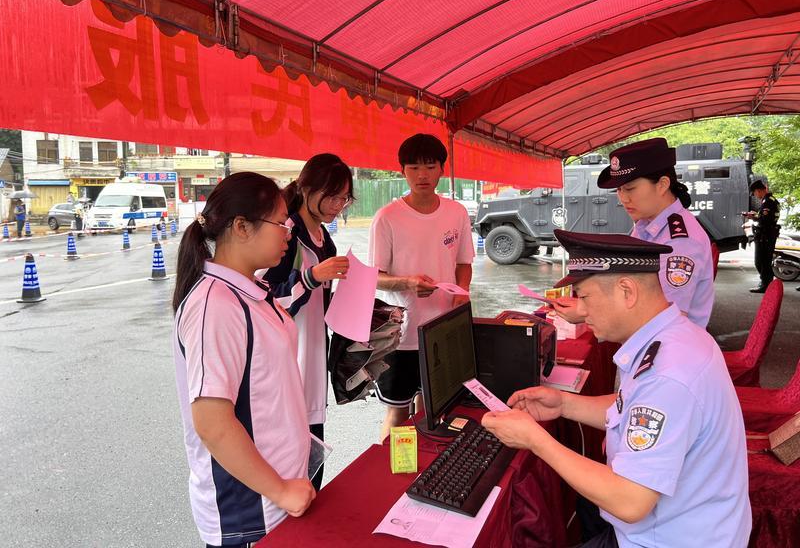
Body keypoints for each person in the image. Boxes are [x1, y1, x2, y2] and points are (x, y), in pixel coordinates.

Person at [483, 229, 751, 547]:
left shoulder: (668, 375)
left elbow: (630, 502)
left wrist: (535, 440)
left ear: (627, 291)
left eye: (585, 297)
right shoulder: (675, 336)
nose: (581, 311)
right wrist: (564, 404)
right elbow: (633, 405)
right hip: (678, 524)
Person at [172, 172, 315, 548]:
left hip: (277, 492)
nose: (289, 233)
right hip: (252, 508)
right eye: (281, 223)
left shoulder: (250, 289)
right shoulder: (216, 306)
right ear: (241, 227)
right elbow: (213, 423)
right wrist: (280, 490)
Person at [369, 133, 474, 441]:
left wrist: (463, 291)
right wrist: (407, 283)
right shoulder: (387, 218)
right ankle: (388, 467)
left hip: (443, 330)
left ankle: (427, 464)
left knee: (435, 409)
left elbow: (464, 263)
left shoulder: (456, 212)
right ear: (402, 171)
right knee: (398, 413)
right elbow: (374, 277)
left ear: (442, 168)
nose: (422, 175)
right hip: (401, 335)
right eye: (414, 168)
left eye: (429, 167)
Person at [553, 138, 714, 328]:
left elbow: (664, 315)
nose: (623, 198)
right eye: (619, 189)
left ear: (662, 185)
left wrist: (587, 310)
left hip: (665, 341)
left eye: (630, 188)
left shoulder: (680, 240)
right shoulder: (646, 224)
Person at [263, 153, 353, 491]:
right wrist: (312, 277)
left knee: (312, 467)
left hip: (313, 362)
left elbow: (323, 307)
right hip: (289, 366)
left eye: (344, 198)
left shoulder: (324, 240)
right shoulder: (286, 233)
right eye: (331, 196)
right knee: (291, 469)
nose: (337, 206)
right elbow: (266, 300)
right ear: (305, 187)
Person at [745, 179, 781, 293]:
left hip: (765, 235)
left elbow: (765, 219)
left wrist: (753, 217)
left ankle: (766, 284)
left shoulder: (767, 202)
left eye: (754, 193)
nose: (755, 196)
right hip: (767, 234)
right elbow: (767, 217)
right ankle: (766, 283)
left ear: (759, 190)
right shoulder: (771, 200)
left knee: (761, 261)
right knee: (764, 261)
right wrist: (756, 215)